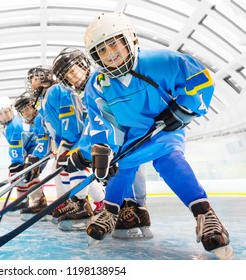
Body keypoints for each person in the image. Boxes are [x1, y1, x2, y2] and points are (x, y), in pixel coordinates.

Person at [81, 11, 233, 259]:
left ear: (129, 40)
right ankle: (110, 212)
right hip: (128, 137)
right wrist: (101, 149)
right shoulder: (97, 83)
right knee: (120, 167)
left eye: (113, 44)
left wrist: (183, 109)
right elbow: (97, 119)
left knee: (170, 160)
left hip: (163, 128)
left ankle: (205, 215)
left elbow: (201, 80)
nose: (110, 54)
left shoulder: (160, 62)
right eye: (102, 50)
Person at [52, 47, 152, 239]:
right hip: (114, 139)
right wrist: (87, 152)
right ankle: (131, 210)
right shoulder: (81, 93)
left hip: (127, 133)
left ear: (83, 64)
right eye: (67, 76)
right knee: (118, 171)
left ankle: (134, 208)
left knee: (130, 167)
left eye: (73, 71)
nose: (72, 78)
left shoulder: (100, 79)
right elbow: (92, 124)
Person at [26, 65, 106, 231]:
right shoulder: (44, 98)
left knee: (74, 165)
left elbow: (69, 118)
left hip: (79, 138)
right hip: (71, 139)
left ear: (44, 78)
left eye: (34, 78)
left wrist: (67, 143)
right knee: (61, 166)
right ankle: (87, 201)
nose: (31, 82)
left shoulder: (57, 91)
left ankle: (81, 204)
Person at [0, 96, 46, 218]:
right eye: (0, 114)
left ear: (11, 110)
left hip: (37, 150)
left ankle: (39, 201)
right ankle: (22, 201)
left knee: (30, 173)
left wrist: (16, 163)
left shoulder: (14, 125)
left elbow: (17, 148)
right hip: (30, 151)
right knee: (21, 174)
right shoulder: (8, 125)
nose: (4, 116)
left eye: (6, 112)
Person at [13, 92, 52, 221]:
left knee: (31, 170)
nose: (26, 113)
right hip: (54, 147)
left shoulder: (39, 118)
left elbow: (45, 139)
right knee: (30, 171)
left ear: (34, 106)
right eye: (23, 111)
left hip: (61, 145)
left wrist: (34, 157)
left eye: (27, 108)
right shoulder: (35, 121)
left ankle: (40, 202)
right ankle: (39, 201)